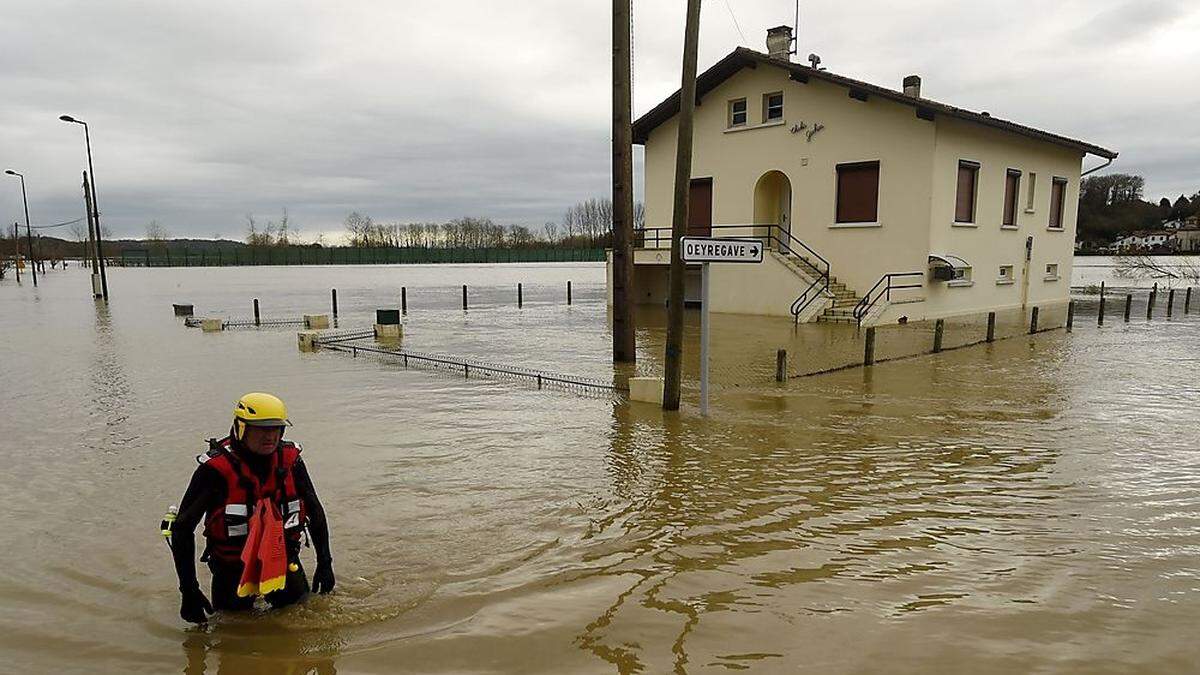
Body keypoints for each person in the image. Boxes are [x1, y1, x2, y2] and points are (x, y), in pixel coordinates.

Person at [170, 392, 334, 624]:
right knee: (231, 632)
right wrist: (189, 590)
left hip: (283, 559)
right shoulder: (214, 470)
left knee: (302, 620)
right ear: (241, 428)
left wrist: (325, 563)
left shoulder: (291, 461)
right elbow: (182, 529)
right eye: (261, 429)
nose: (270, 436)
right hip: (232, 568)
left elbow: (315, 512)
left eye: (276, 428)